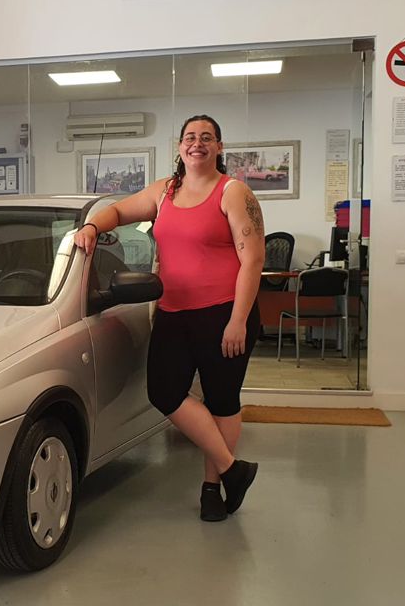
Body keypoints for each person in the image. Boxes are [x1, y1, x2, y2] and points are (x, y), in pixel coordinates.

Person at [74, 114, 265, 522]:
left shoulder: (233, 192)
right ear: (179, 146)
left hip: (224, 312)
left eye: (207, 137)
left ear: (219, 147)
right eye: (190, 137)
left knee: (221, 400)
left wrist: (238, 320)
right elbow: (117, 212)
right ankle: (233, 470)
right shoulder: (165, 192)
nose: (198, 143)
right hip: (174, 312)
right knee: (163, 391)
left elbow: (253, 260)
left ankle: (212, 489)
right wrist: (91, 226)